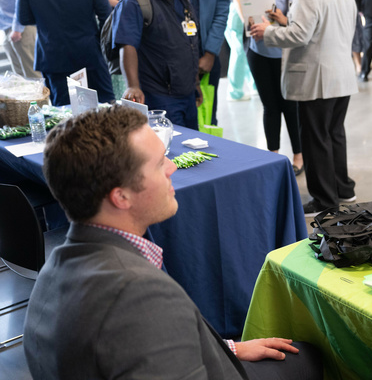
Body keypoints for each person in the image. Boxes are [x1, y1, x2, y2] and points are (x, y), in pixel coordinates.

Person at [24, 105, 323, 379]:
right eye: (157, 164)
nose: (172, 167)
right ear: (121, 197)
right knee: (314, 357)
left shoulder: (57, 266)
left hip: (216, 355)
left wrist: (229, 348)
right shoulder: (141, 295)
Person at [250, 0, 358, 215]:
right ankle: (342, 187)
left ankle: (324, 199)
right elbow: (322, 29)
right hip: (341, 75)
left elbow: (300, 35)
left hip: (317, 79)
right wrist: (286, 21)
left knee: (315, 138)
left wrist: (268, 32)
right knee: (334, 134)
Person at [113, 0, 201, 129]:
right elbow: (127, 45)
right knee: (172, 150)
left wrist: (195, 83)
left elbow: (189, 40)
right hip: (159, 95)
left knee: (193, 146)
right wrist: (133, 86)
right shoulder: (135, 1)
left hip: (186, 92)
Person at [243, 0, 306, 175]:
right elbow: (246, 8)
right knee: (270, 106)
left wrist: (284, 19)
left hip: (287, 54)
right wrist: (249, 23)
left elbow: (304, 22)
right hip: (258, 52)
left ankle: (298, 157)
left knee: (291, 106)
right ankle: (273, 155)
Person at [224, 0, 255, 102]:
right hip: (236, 13)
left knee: (242, 51)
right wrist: (245, 19)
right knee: (239, 52)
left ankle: (253, 85)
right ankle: (235, 91)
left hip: (229, 13)